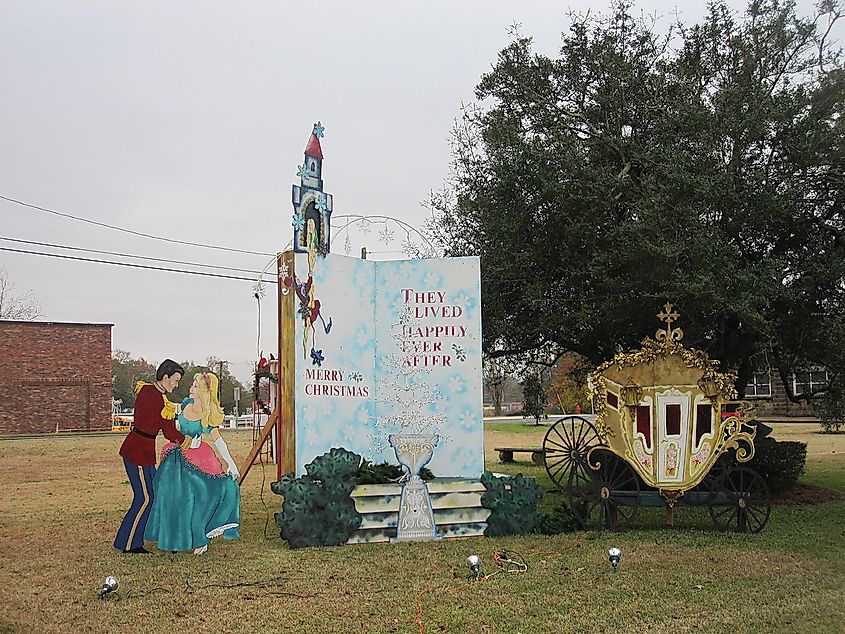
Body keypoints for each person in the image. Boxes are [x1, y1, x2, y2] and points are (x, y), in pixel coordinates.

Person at [144, 371, 241, 555]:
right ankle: (171, 534)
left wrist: (231, 463)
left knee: (200, 495)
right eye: (192, 385)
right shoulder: (185, 404)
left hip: (198, 457)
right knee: (169, 494)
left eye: (195, 386)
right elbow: (165, 405)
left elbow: (219, 441)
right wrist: (150, 392)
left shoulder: (206, 417)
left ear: (204, 391)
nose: (190, 388)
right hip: (176, 456)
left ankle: (198, 536)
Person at [114, 359, 185, 554]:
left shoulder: (150, 392)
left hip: (143, 450)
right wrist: (187, 441)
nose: (176, 384)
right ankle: (130, 544)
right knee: (144, 498)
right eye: (175, 380)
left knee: (150, 495)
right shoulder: (155, 397)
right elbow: (169, 431)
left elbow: (166, 429)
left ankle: (131, 539)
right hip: (137, 451)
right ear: (165, 377)